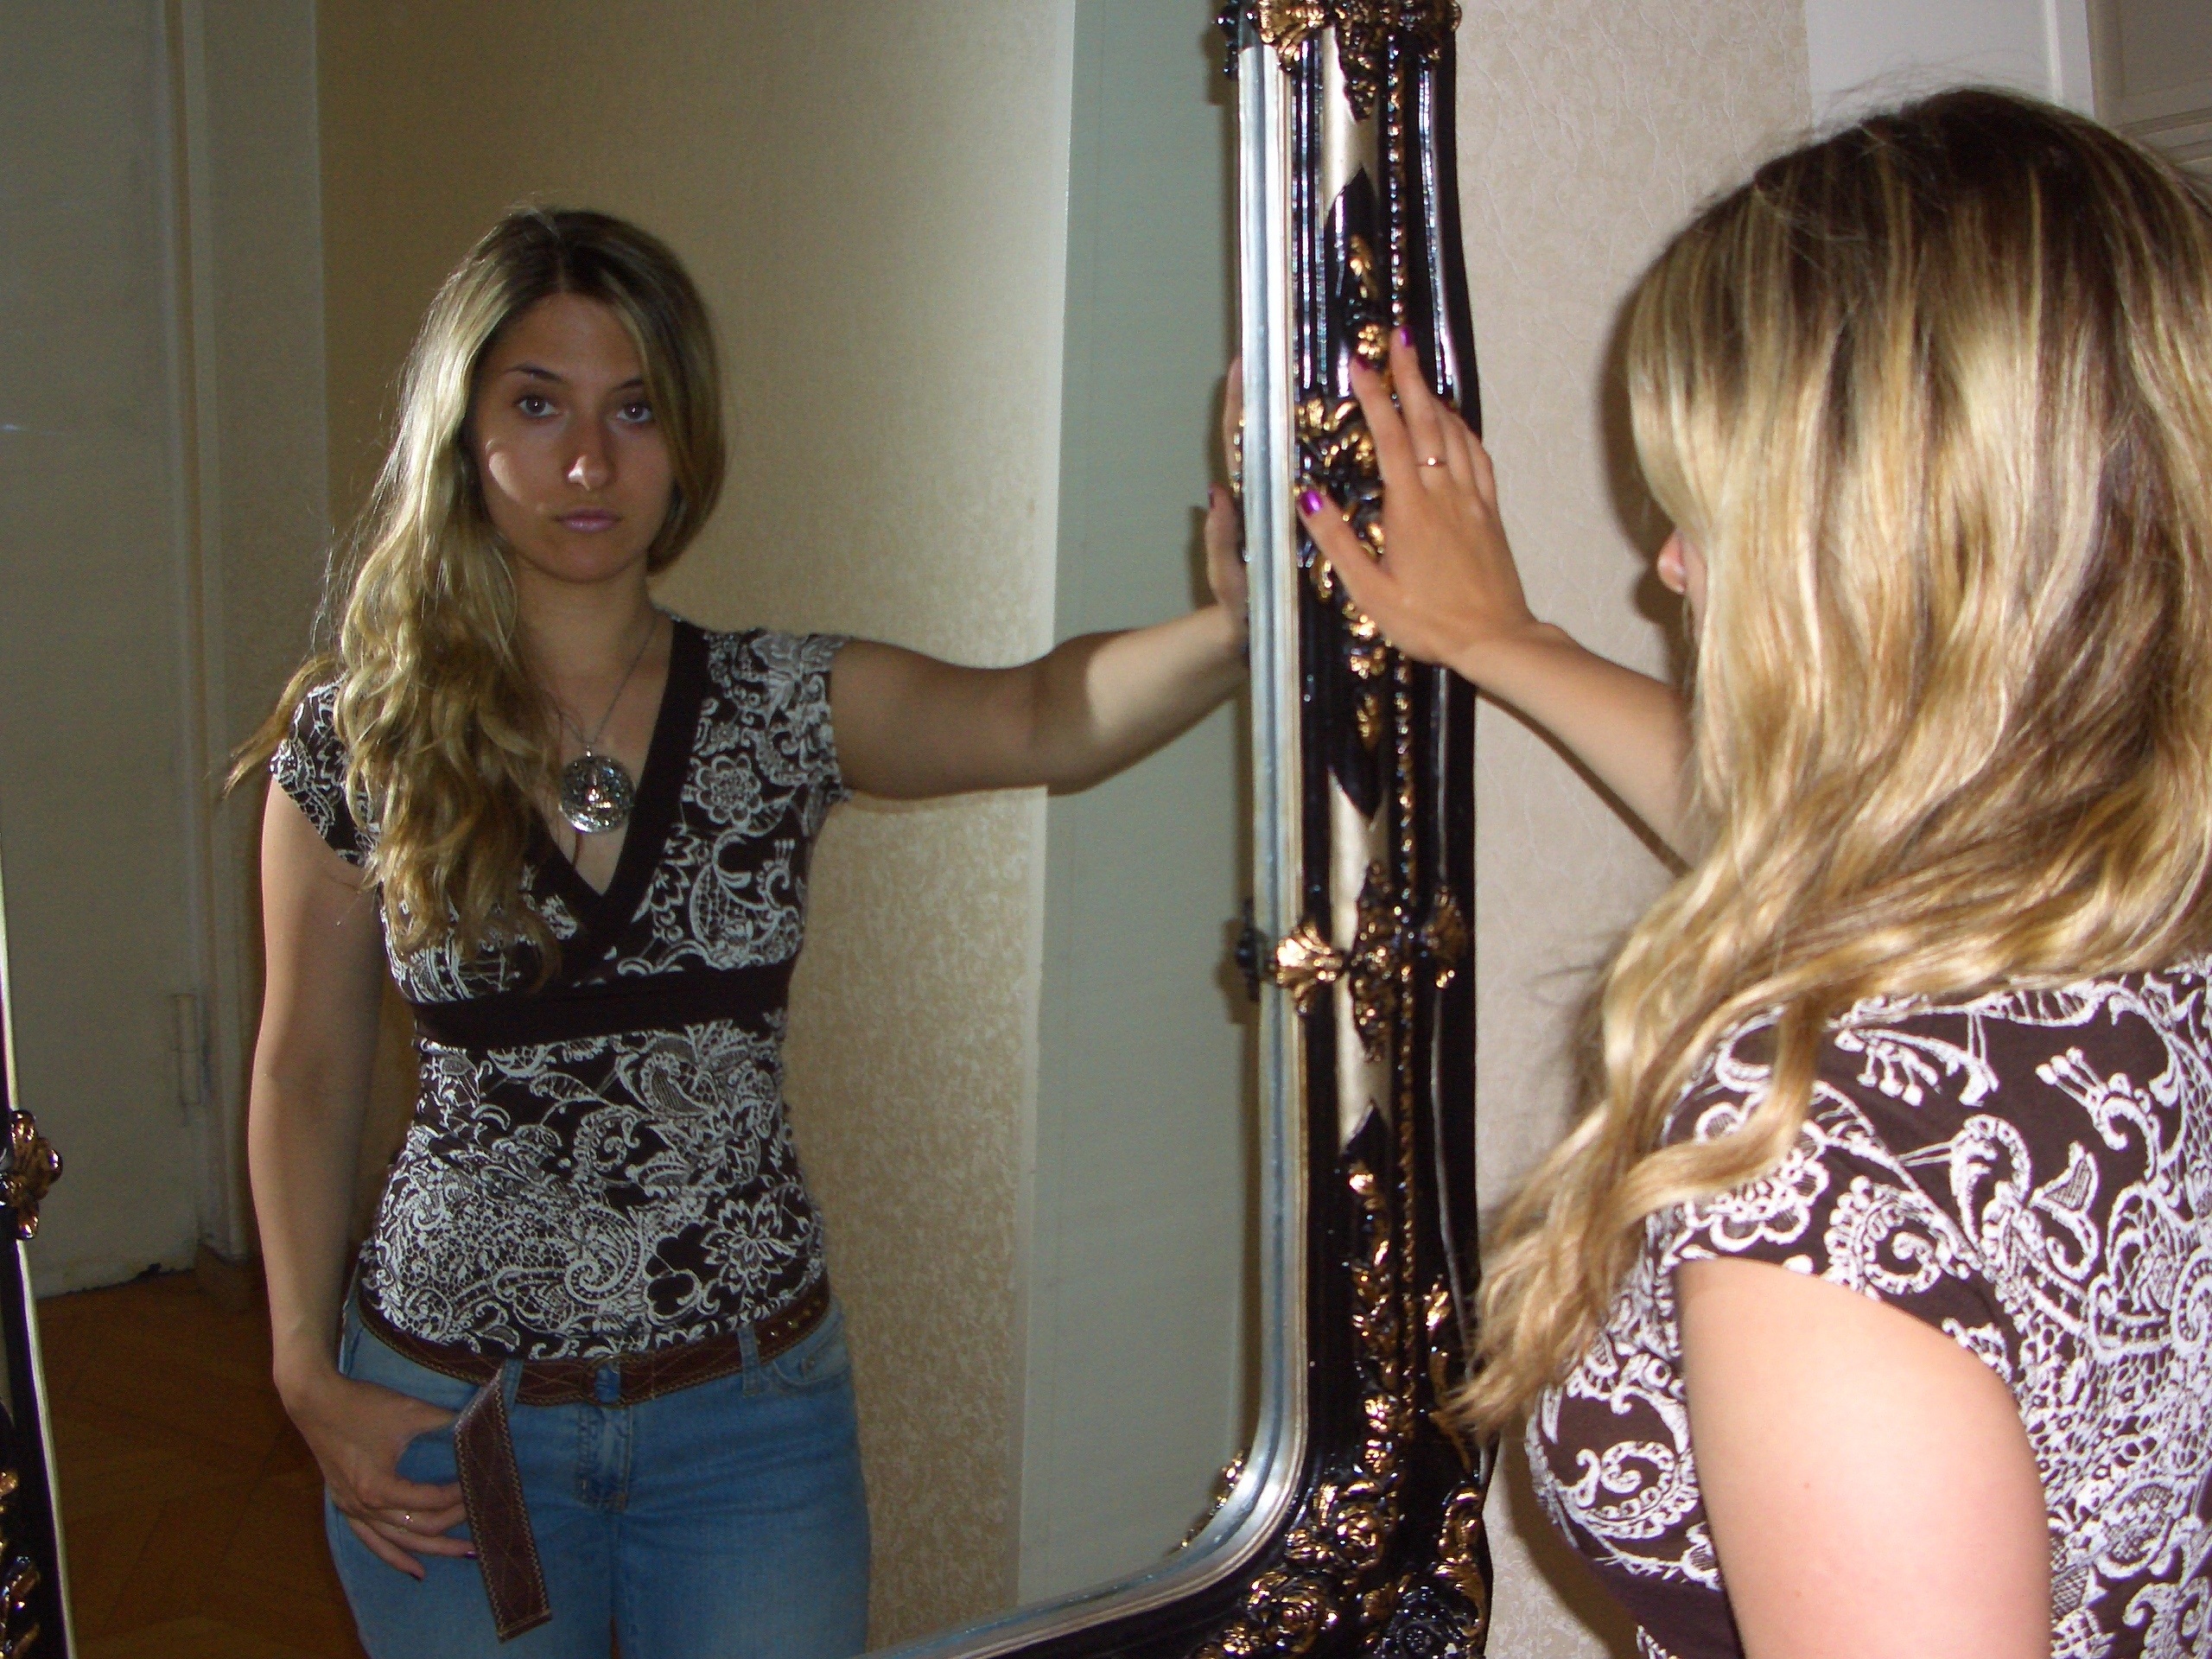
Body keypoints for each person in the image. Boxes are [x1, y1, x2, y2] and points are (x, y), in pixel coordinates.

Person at [242, 207, 1247, 1659]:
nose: (591, 463)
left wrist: (1234, 629)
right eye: (540, 405)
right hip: (452, 1423)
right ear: (466, 433)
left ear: (687, 438)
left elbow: (1040, 713)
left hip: (749, 1429)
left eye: (635, 409)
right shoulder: (362, 740)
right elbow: (304, 1071)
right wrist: (301, 1369)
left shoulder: (777, 710)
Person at [1303, 90, 2212, 1659]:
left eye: (1711, 506)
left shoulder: (1819, 1146)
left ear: (1871, 554)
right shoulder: (2122, 899)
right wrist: (1506, 643)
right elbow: (1820, 843)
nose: (1668, 560)